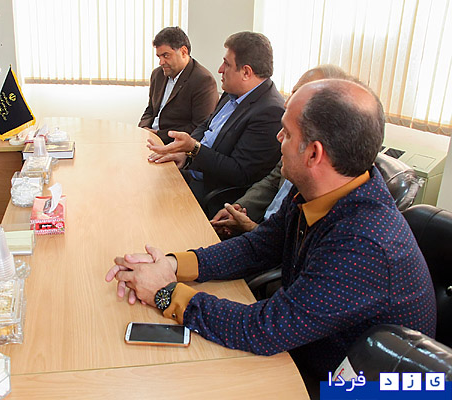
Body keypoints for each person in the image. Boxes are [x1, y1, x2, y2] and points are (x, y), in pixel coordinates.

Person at [106, 78, 436, 393]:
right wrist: (172, 264)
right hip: (310, 350)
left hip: (350, 387)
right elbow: (258, 246)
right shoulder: (321, 191)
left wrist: (165, 293)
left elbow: (265, 329)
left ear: (314, 154)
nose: (278, 137)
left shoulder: (364, 244)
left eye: (287, 133)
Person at [147, 32, 283, 211]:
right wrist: (185, 154)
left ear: (246, 72)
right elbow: (206, 125)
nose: (220, 69)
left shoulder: (269, 112)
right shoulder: (232, 91)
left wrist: (193, 149)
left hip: (213, 193)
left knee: (154, 206)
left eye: (227, 64)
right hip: (194, 171)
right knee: (146, 181)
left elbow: (239, 173)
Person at [210, 65, 349, 239]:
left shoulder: (326, 177)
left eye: (299, 95)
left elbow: (288, 245)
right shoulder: (298, 139)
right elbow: (272, 182)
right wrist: (239, 209)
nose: (286, 103)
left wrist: (251, 229)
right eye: (293, 92)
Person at [138, 27, 218, 144]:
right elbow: (151, 109)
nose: (161, 62)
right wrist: (143, 128)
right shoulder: (158, 74)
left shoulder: (203, 80)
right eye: (159, 57)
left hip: (174, 144)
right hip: (149, 138)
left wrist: (159, 135)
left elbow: (199, 127)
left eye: (166, 55)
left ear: (183, 52)